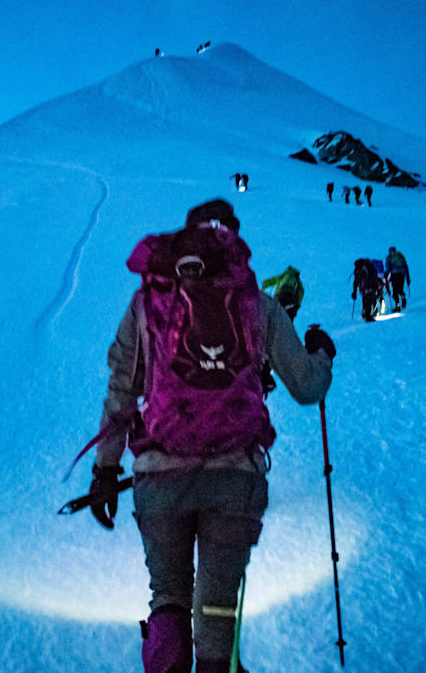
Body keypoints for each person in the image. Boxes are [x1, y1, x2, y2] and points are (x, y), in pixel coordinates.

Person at [88, 199, 334, 673]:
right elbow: (306, 387)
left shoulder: (147, 301)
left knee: (169, 598)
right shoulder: (256, 303)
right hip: (234, 477)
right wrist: (321, 354)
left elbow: (122, 386)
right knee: (217, 614)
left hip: (159, 478)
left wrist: (105, 467)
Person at [385, 246, 409, 312]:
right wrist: (407, 277)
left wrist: (386, 277)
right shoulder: (400, 256)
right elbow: (406, 266)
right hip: (401, 275)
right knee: (400, 289)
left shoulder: (389, 257)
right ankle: (403, 296)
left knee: (395, 291)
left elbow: (387, 268)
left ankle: (397, 306)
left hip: (394, 275)